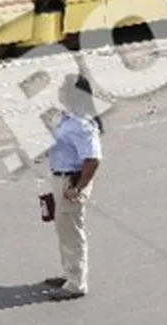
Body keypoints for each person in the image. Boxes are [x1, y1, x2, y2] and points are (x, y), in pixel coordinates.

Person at [44, 73, 103, 301]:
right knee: (64, 228)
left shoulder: (81, 124)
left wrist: (77, 188)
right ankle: (69, 273)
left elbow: (92, 160)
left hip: (71, 183)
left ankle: (77, 284)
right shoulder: (68, 117)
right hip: (62, 179)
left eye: (64, 88)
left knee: (72, 232)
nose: (60, 90)